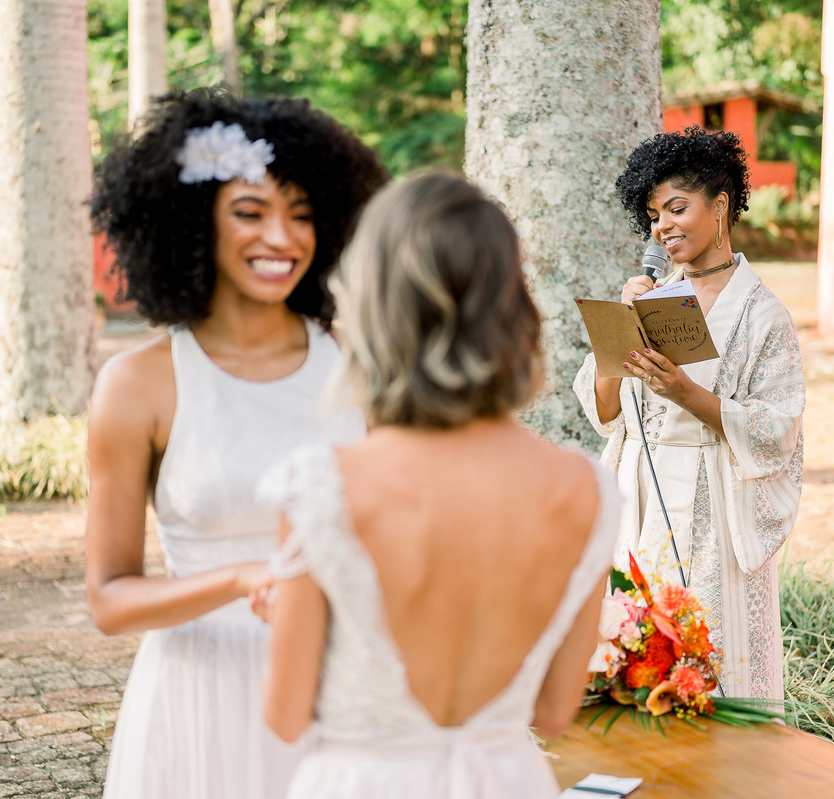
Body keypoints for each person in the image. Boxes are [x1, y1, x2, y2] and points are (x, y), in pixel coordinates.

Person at [254, 172, 623, 799]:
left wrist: (284, 617)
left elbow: (285, 716)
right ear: (514, 309)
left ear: (375, 311)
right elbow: (554, 712)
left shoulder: (322, 486)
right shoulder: (586, 488)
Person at [84, 87, 386, 799]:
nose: (282, 238)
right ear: (193, 222)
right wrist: (242, 579)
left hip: (339, 693)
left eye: (302, 215)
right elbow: (110, 600)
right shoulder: (137, 384)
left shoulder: (363, 365)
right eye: (251, 213)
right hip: (198, 701)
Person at [572, 125, 805, 702]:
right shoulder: (651, 297)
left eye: (677, 208)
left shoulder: (762, 315)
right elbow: (607, 411)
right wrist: (621, 326)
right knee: (635, 658)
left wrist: (685, 393)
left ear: (720, 205)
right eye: (654, 215)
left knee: (706, 660)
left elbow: (777, 429)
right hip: (639, 500)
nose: (663, 226)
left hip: (711, 502)